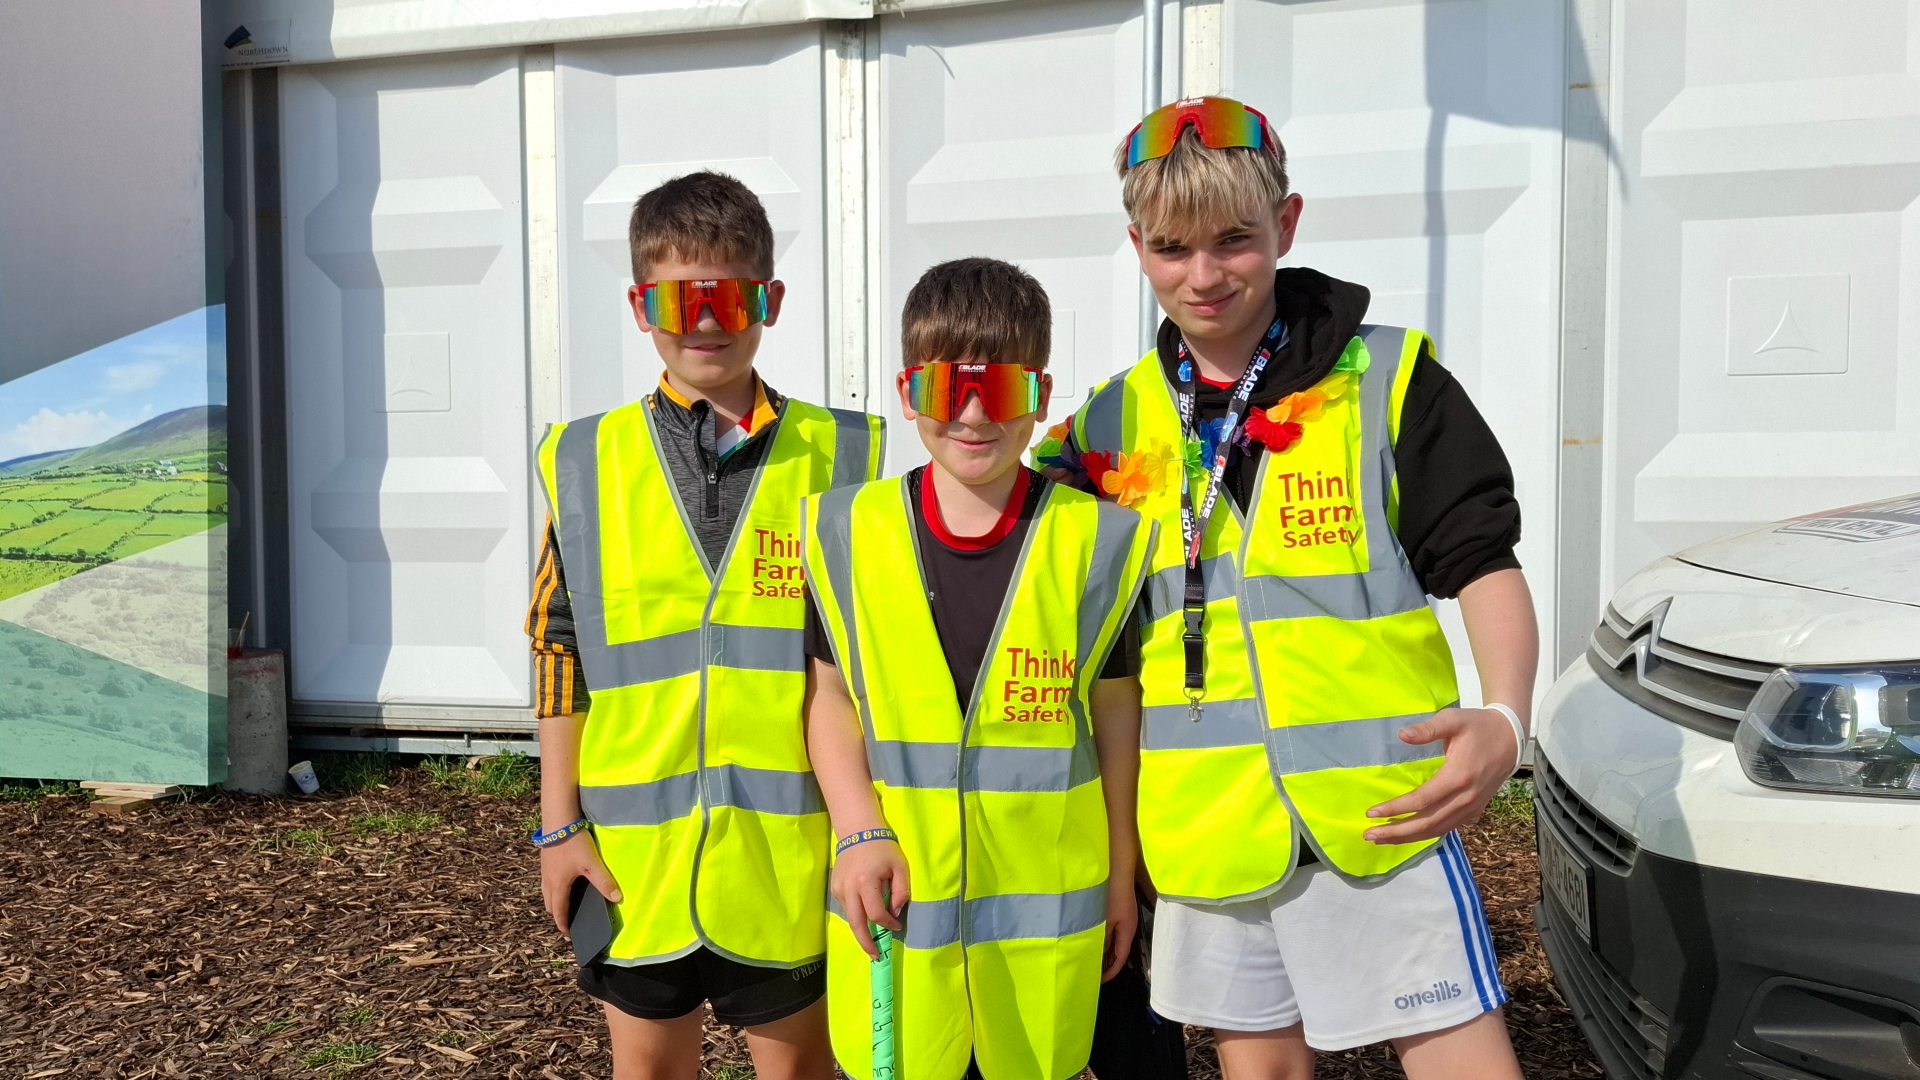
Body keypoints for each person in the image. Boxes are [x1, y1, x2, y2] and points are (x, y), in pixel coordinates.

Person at [1045, 97, 1537, 1079]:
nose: (1203, 275)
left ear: (1288, 223)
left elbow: (1482, 557)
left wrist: (1507, 719)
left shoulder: (1389, 380)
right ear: (1137, 246)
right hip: (1210, 833)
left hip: (1384, 816)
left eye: (1234, 240)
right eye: (1172, 248)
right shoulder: (1104, 430)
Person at [525, 171, 884, 1080]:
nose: (706, 323)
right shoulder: (586, 457)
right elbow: (557, 647)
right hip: (633, 866)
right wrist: (558, 828)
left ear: (771, 300)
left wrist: (860, 832)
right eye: (680, 301)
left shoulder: (845, 458)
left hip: (786, 865)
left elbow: (859, 664)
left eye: (730, 297)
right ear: (640, 308)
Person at [800, 258, 1158, 1080]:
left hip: (1045, 917)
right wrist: (857, 828)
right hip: (900, 903)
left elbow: (1114, 717)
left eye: (997, 390)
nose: (970, 415)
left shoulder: (1098, 540)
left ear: (1039, 394)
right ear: (906, 391)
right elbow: (831, 698)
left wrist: (1120, 874)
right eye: (943, 389)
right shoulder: (848, 531)